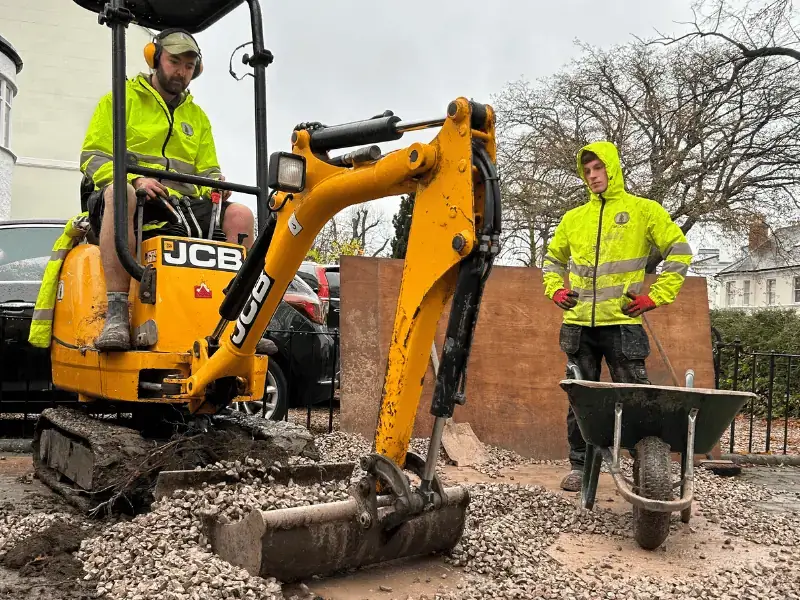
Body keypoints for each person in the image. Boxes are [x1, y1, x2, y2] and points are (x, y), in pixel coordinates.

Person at [80, 28, 256, 351]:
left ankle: (238, 323)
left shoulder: (197, 118)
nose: (181, 72)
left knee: (242, 215)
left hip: (180, 207)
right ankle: (117, 313)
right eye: (175, 61)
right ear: (154, 57)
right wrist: (134, 180)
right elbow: (93, 157)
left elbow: (209, 171)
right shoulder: (120, 100)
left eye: (189, 66)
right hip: (131, 199)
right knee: (122, 196)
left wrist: (217, 186)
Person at [542, 141, 693, 492]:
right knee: (580, 397)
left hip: (623, 324)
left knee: (636, 396)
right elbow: (552, 260)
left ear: (612, 168)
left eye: (598, 168)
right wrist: (555, 290)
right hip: (578, 326)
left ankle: (647, 466)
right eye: (587, 170)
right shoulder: (573, 219)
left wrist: (656, 296)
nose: (593, 176)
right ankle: (580, 466)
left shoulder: (643, 210)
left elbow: (680, 251)